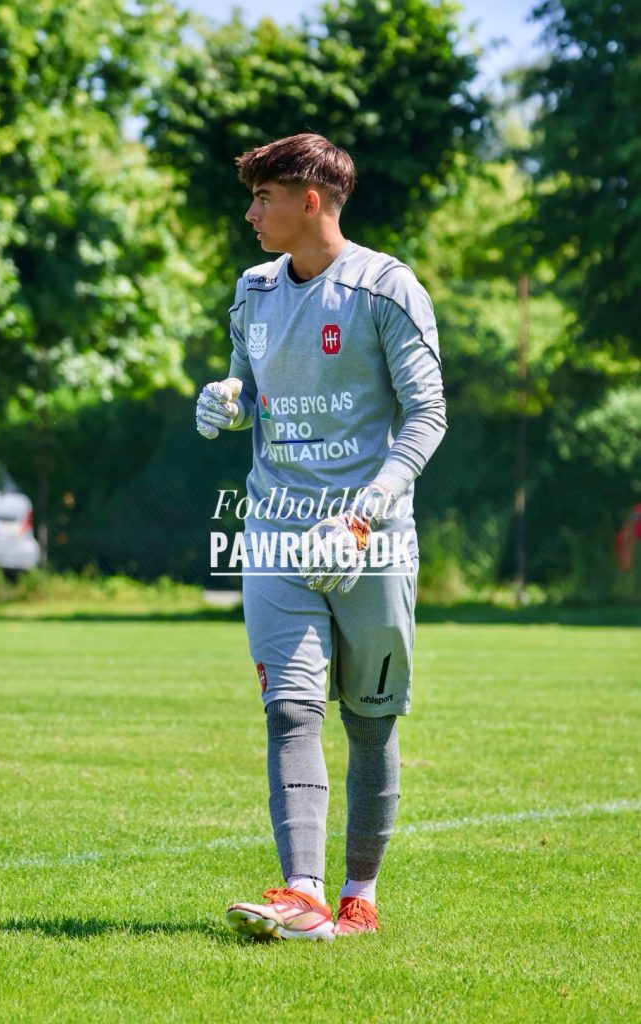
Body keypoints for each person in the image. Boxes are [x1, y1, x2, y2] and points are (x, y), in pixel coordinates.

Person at [196, 133, 446, 940]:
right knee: (290, 708)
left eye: (262, 198)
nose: (250, 214)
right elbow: (250, 384)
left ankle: (357, 898)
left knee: (370, 720)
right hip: (274, 532)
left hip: (371, 540)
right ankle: (302, 895)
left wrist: (364, 514)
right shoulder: (253, 291)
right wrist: (229, 399)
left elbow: (427, 415)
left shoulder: (385, 289)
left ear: (309, 201)